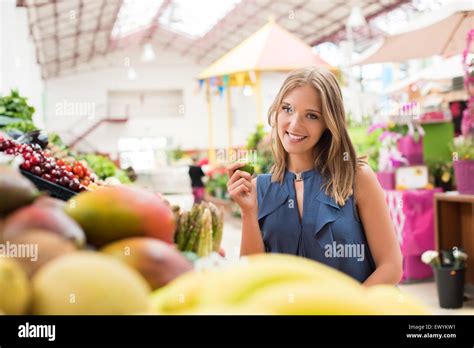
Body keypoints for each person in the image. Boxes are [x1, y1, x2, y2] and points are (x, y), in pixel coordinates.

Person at [227, 67, 402, 285]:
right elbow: (254, 277)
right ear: (276, 111)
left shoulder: (356, 178)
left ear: (329, 123)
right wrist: (248, 212)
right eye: (287, 109)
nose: (294, 124)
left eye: (311, 115)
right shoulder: (257, 188)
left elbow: (391, 266)